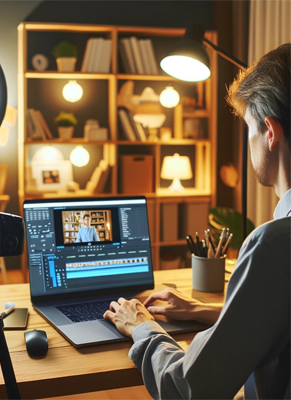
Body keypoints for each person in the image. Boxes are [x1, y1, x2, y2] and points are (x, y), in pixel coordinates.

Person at [103, 43, 290, 399]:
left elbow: (187, 388)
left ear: (269, 131)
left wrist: (144, 328)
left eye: (248, 127)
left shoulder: (274, 246)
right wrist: (206, 311)